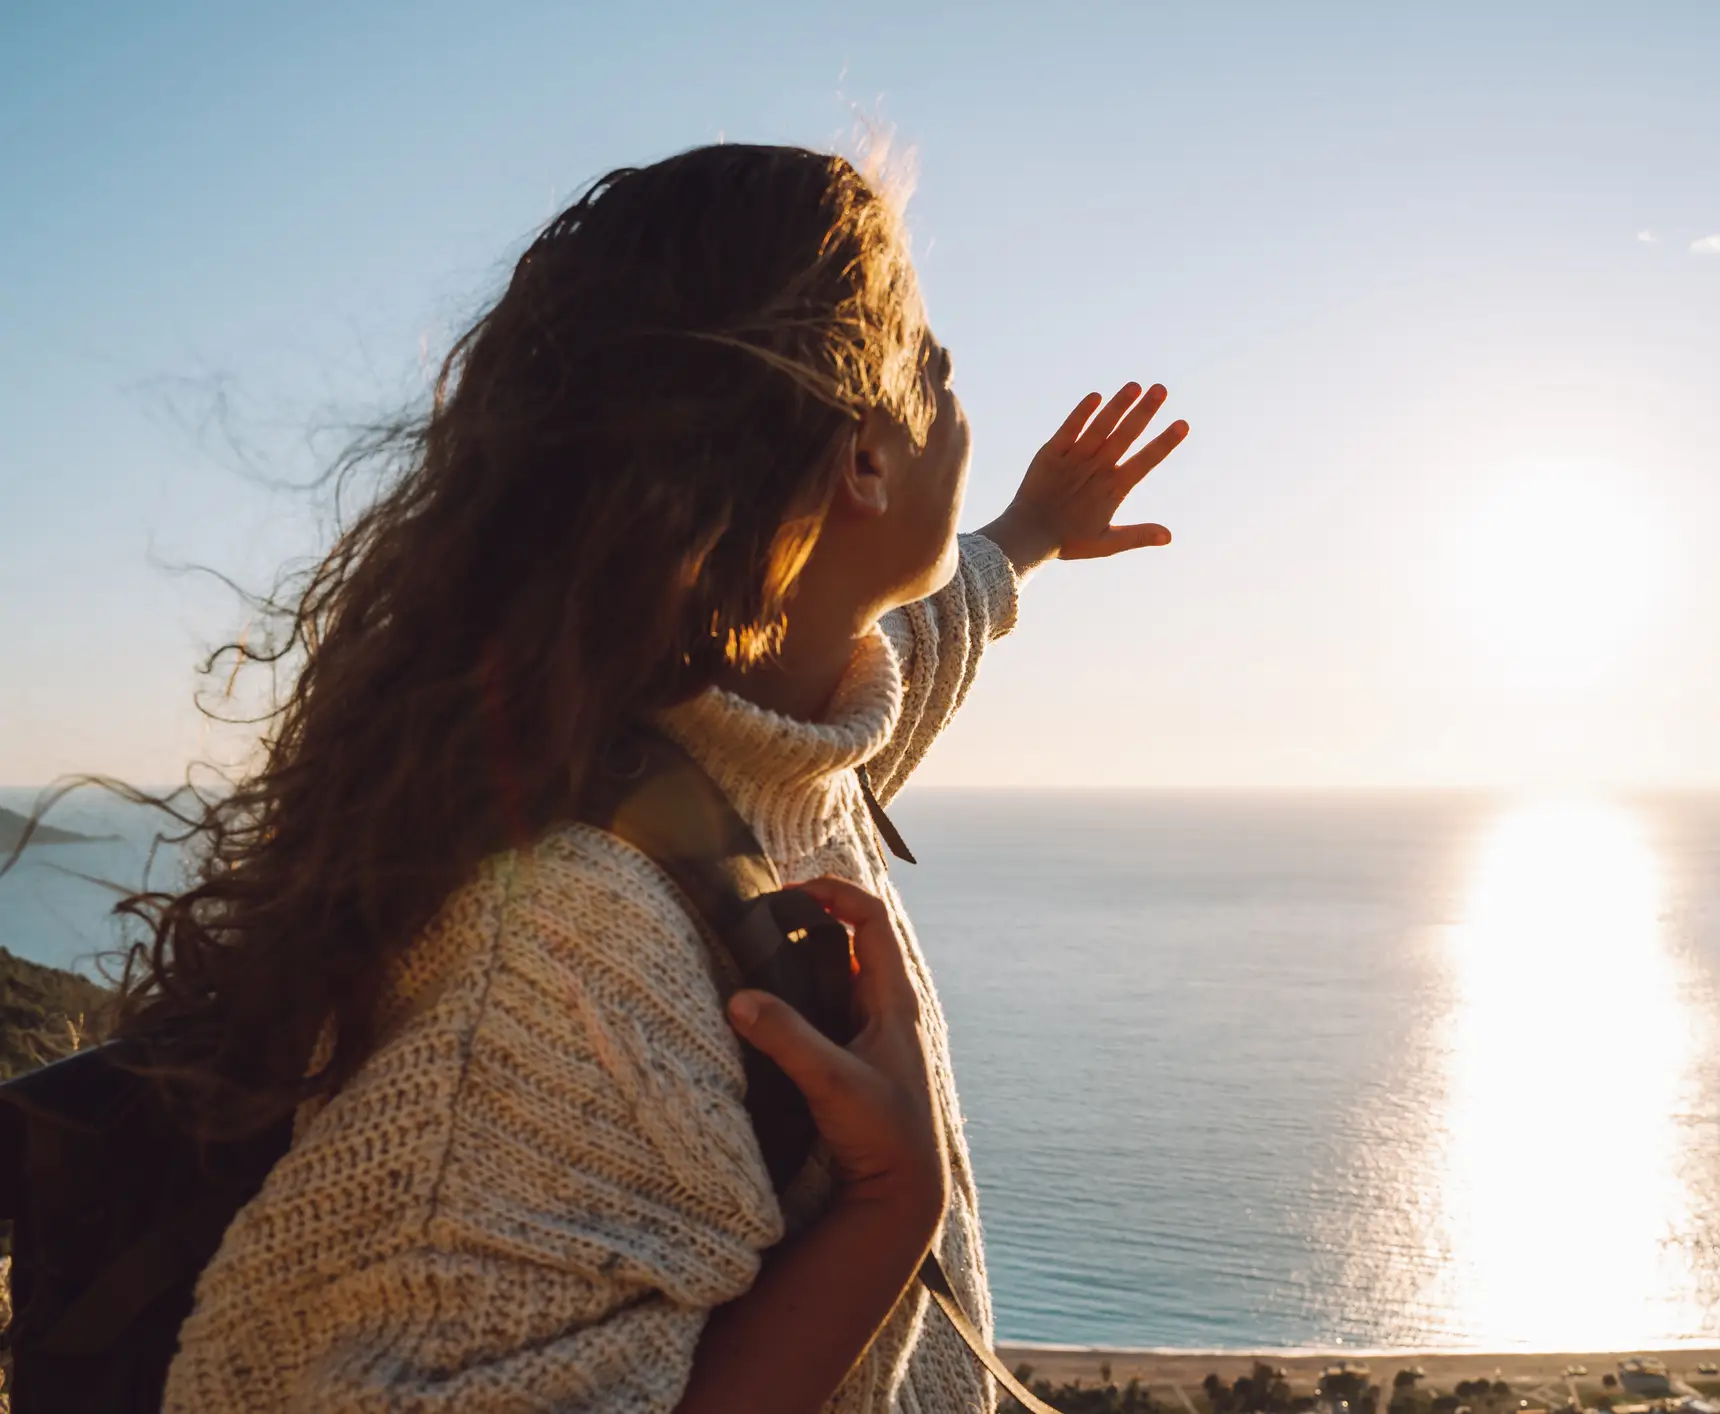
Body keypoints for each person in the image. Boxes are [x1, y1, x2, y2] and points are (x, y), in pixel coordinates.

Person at [128, 143, 1188, 1412]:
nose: (962, 404)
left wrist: (1030, 536)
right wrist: (887, 1208)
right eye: (938, 372)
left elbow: (920, 640)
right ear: (861, 462)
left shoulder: (753, 741)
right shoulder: (564, 967)